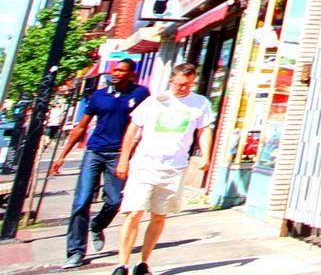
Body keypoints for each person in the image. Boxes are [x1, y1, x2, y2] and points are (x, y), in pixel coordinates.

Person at [111, 62, 214, 275]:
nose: (182, 88)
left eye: (187, 84)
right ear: (171, 81)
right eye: (179, 84)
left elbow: (204, 130)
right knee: (134, 212)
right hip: (145, 163)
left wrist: (206, 156)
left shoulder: (200, 103)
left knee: (159, 215)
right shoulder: (155, 101)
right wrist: (124, 159)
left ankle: (143, 263)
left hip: (174, 167)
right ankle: (122, 265)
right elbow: (133, 128)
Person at [50, 57, 150, 268]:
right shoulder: (99, 96)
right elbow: (81, 126)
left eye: (122, 71)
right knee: (81, 200)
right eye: (115, 70)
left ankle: (97, 225)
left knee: (115, 201)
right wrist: (61, 156)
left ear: (132, 74)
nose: (116, 73)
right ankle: (75, 252)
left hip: (118, 153)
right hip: (94, 152)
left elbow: (146, 123)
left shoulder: (140, 94)